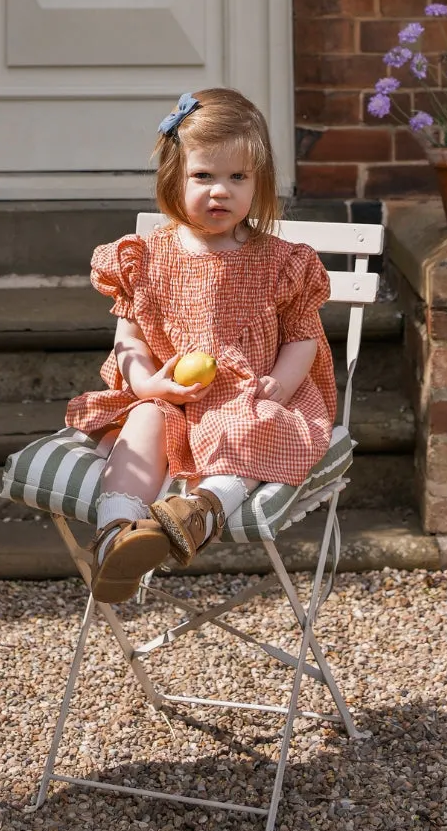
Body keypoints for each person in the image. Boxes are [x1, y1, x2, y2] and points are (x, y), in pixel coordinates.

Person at [65, 87, 337, 603]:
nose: (221, 192)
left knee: (248, 427)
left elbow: (303, 337)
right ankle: (116, 537)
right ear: (175, 178)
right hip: (174, 393)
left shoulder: (282, 261)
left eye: (238, 178)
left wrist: (276, 387)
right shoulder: (145, 257)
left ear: (259, 183)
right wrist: (147, 382)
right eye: (204, 176)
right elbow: (129, 338)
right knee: (143, 423)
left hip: (250, 395)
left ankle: (202, 509)